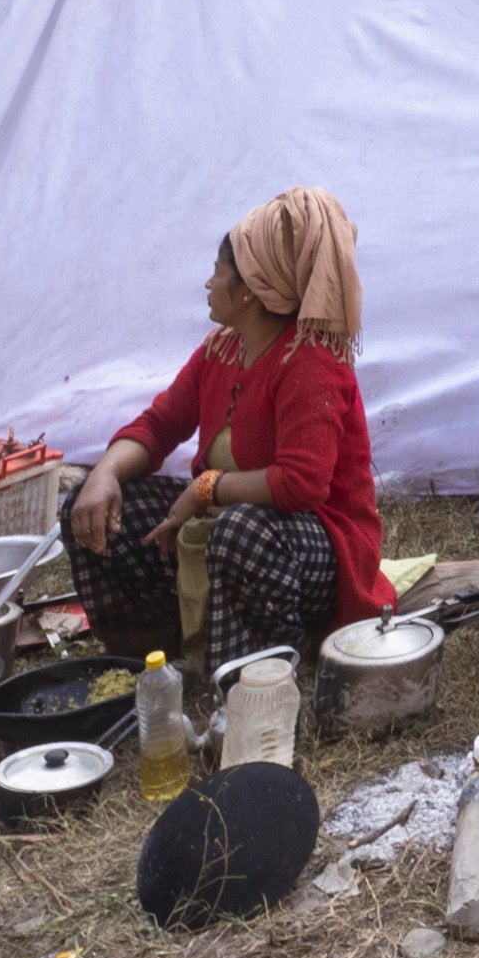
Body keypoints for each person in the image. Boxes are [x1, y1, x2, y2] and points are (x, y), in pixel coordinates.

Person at [61, 191, 386, 672]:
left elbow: (300, 486)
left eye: (218, 272)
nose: (209, 283)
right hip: (228, 527)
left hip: (318, 551)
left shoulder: (312, 362)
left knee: (240, 530)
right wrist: (103, 474)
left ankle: (275, 664)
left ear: (251, 289)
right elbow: (159, 425)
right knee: (92, 505)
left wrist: (205, 489)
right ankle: (153, 660)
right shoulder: (221, 349)